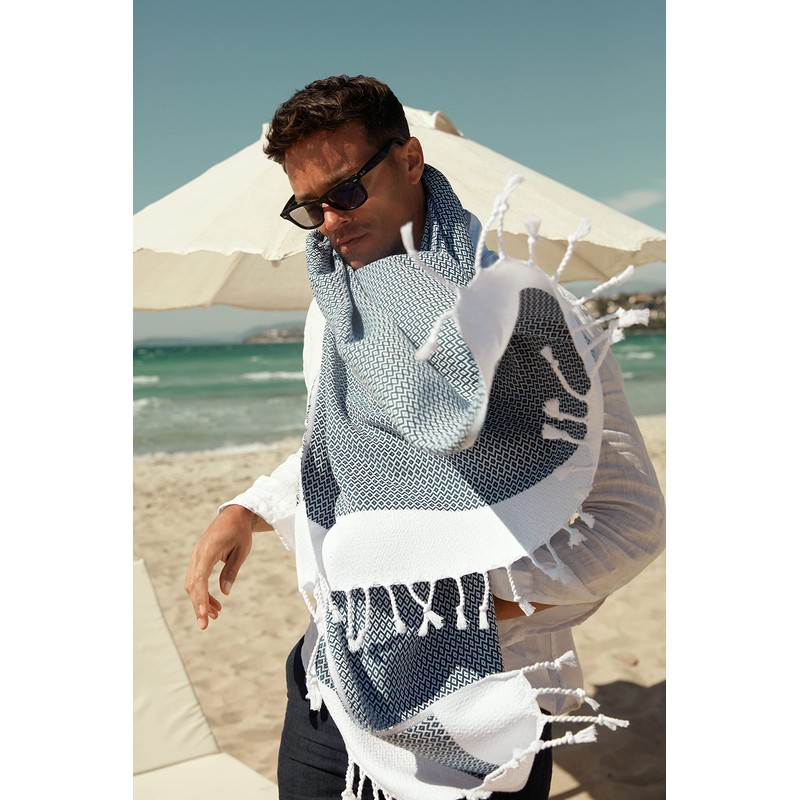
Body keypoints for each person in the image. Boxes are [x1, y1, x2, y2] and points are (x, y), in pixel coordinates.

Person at [185, 75, 665, 800]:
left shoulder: (524, 312)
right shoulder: (334, 310)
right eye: (308, 207)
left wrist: (469, 611)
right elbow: (351, 449)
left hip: (489, 699)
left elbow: (631, 519)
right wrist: (249, 507)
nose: (329, 223)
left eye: (346, 192)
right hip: (332, 683)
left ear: (410, 160)